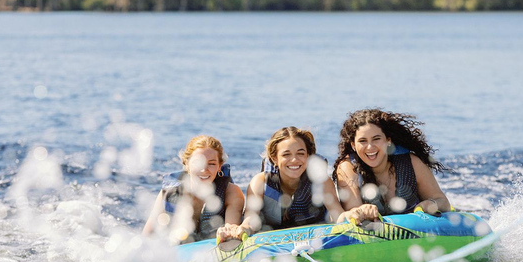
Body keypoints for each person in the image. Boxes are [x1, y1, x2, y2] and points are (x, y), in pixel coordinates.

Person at [217, 127, 345, 241]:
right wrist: (245, 228)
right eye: (286, 155)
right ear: (275, 159)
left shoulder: (321, 182)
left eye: (301, 153)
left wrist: (349, 217)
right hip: (274, 245)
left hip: (315, 241)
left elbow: (337, 213)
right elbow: (251, 216)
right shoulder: (260, 182)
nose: (294, 160)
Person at [332, 108, 452, 223]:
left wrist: (431, 204)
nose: (370, 147)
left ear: (388, 140)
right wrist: (361, 211)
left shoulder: (411, 163)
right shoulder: (347, 168)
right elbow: (352, 212)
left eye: (376, 139)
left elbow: (443, 202)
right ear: (353, 145)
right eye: (363, 141)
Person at [143, 135, 245, 244]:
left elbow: (231, 230)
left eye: (211, 164)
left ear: (219, 166)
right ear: (187, 163)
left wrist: (227, 232)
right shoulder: (168, 193)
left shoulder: (231, 193)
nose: (204, 170)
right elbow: (147, 236)